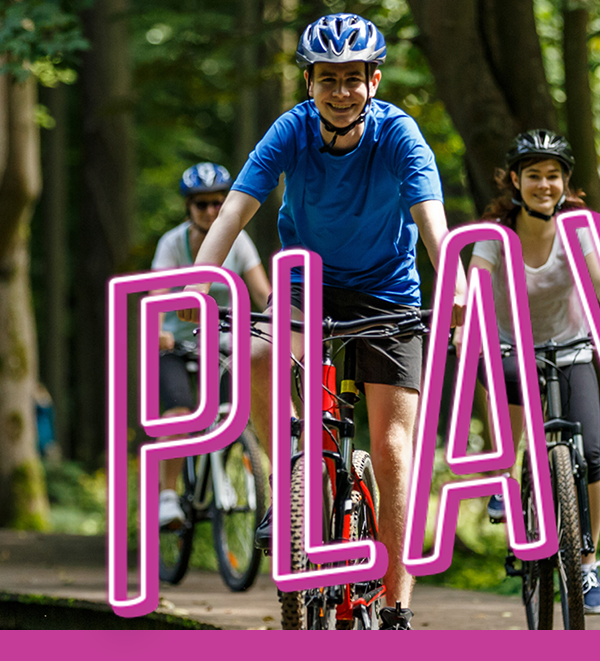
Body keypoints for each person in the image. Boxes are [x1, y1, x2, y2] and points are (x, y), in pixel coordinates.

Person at [178, 14, 466, 629]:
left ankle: (395, 605)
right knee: (256, 355)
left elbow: (433, 225)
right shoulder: (291, 131)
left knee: (391, 452)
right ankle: (290, 488)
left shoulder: (399, 135)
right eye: (328, 79)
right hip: (307, 286)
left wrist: (458, 287)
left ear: (374, 80)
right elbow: (234, 212)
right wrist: (196, 278)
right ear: (309, 82)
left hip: (389, 295)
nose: (340, 92)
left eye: (353, 79)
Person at [455, 130, 600, 615]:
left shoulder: (577, 229)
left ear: (565, 183)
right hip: (506, 344)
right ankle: (505, 477)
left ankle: (587, 563)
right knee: (511, 399)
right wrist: (466, 326)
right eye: (534, 175)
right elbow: (477, 279)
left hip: (571, 345)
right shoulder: (496, 233)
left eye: (553, 175)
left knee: (595, 453)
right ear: (515, 181)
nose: (544, 184)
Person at [152, 162, 271, 528]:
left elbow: (264, 293)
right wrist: (158, 331)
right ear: (189, 208)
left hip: (226, 345)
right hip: (178, 345)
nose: (209, 211)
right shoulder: (173, 244)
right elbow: (157, 294)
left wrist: (273, 324)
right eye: (201, 204)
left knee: (231, 413)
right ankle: (168, 496)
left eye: (217, 203)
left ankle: (253, 482)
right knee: (178, 417)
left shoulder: (239, 241)